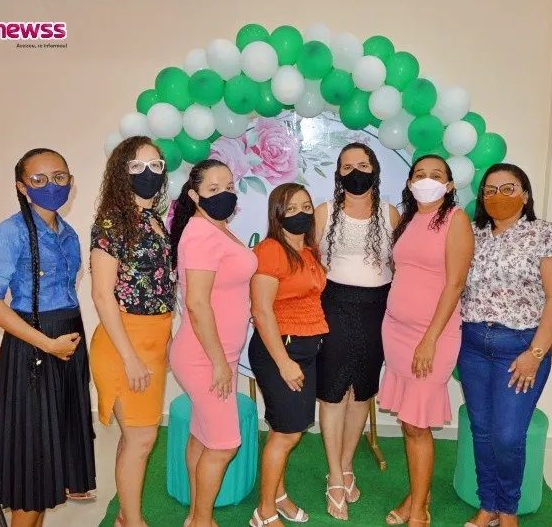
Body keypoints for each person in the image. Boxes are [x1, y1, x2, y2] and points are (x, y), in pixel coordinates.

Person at [0, 148, 96, 527]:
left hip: (68, 344)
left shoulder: (69, 233)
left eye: (59, 177)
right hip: (35, 348)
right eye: (39, 179)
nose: (51, 185)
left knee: (52, 457)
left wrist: (66, 346)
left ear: (71, 182)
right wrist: (48, 344)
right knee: (34, 463)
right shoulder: (11, 232)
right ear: (22, 186)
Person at [458, 164, 552, 527]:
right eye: (490, 190)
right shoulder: (471, 234)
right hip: (473, 345)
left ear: (525, 194)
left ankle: (508, 508)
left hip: (521, 348)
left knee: (507, 435)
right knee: (481, 429)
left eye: (508, 188)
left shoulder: (546, 235)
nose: (498, 196)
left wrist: (536, 354)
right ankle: (488, 504)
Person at [380, 155, 474, 525]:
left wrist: (430, 339)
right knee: (409, 421)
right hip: (396, 332)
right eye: (420, 174)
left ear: (449, 186)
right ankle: (418, 493)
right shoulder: (407, 220)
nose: (427, 180)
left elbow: (455, 283)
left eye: (436, 175)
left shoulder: (456, 219)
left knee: (418, 423)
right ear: (409, 182)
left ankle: (418, 508)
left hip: (433, 335)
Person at [90, 136, 175, 527]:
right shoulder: (111, 222)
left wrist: (166, 340)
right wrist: (130, 357)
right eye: (137, 166)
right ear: (120, 172)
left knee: (140, 437)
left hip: (153, 340)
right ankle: (132, 520)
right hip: (123, 343)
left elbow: (160, 286)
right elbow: (102, 295)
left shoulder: (155, 220)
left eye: (156, 166)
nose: (148, 173)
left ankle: (127, 516)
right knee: (140, 439)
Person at [168, 159, 258, 527]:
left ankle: (195, 517)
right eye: (213, 189)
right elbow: (197, 303)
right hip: (205, 357)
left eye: (229, 186)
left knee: (204, 437)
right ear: (194, 195)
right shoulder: (201, 233)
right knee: (224, 444)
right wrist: (219, 361)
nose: (225, 194)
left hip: (220, 355)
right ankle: (202, 521)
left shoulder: (217, 228)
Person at [314, 142, 400, 520]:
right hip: (333, 307)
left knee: (361, 393)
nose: (355, 173)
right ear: (338, 174)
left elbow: (400, 266)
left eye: (362, 165)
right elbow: (309, 265)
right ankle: (334, 477)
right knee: (334, 394)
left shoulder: (389, 214)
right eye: (347, 167)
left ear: (375, 170)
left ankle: (347, 465)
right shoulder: (324, 212)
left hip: (376, 310)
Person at [248, 183, 328, 526]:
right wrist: (284, 362)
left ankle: (278, 496)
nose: (301, 214)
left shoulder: (308, 251)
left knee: (285, 428)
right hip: (281, 352)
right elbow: (261, 310)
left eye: (306, 207)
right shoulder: (270, 250)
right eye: (291, 208)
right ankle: (263, 512)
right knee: (288, 434)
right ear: (277, 214)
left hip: (304, 350)